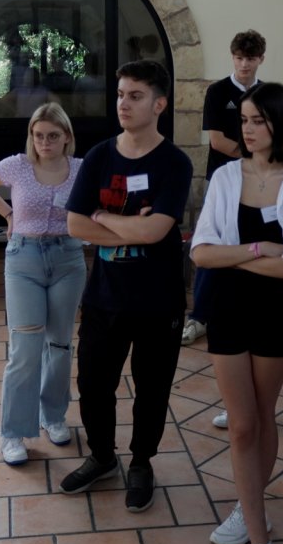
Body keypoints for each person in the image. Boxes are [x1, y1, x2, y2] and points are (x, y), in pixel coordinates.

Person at [191, 82, 283, 544]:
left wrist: (239, 255)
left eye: (258, 120)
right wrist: (258, 247)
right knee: (241, 422)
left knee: (262, 417)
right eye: (243, 120)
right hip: (227, 307)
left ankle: (251, 516)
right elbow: (201, 252)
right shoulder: (226, 176)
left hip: (277, 312)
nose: (247, 129)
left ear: (279, 122)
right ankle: (259, 537)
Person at [60, 59, 193, 513]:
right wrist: (128, 227)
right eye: (120, 95)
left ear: (159, 104)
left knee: (152, 389)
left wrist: (103, 217)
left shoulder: (174, 162)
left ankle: (141, 462)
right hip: (104, 297)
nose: (123, 103)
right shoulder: (100, 156)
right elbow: (76, 224)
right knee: (94, 384)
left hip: (159, 300)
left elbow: (156, 231)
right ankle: (102, 456)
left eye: (135, 96)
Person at [0, 103, 86, 466]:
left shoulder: (81, 169)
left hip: (68, 259)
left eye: (52, 135)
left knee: (60, 344)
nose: (44, 142)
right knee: (25, 348)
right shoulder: (18, 166)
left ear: (66, 137)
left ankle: (52, 415)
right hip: (25, 259)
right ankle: (13, 432)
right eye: (38, 136)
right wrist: (8, 213)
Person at [184, 29, 266, 351]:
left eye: (250, 58)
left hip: (259, 182)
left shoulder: (267, 93)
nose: (244, 64)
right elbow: (217, 141)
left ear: (261, 59)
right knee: (211, 245)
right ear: (232, 57)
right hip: (221, 181)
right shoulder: (218, 91)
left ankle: (245, 310)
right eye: (239, 57)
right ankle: (199, 317)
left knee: (250, 244)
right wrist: (253, 155)